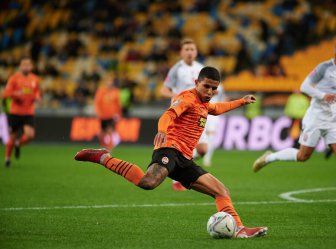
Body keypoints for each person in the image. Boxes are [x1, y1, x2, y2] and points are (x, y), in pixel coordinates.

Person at [75, 66, 268, 238]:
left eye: (214, 88)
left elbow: (216, 108)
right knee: (148, 182)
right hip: (170, 149)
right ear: (196, 83)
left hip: (185, 159)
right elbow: (168, 114)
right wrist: (162, 130)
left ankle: (239, 228)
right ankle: (103, 157)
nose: (210, 92)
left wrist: (241, 101)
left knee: (221, 191)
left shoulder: (204, 103)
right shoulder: (187, 98)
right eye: (206, 86)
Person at [252, 39, 336, 202]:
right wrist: (323, 95)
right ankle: (269, 157)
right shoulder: (324, 68)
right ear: (335, 51)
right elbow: (304, 86)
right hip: (315, 118)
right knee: (303, 156)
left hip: (333, 120)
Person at [160, 38, 224, 190]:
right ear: (182, 52)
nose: (189, 52)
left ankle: (176, 168)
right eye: (186, 49)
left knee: (202, 150)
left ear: (196, 52)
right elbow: (163, 90)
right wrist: (176, 95)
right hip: (182, 115)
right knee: (181, 147)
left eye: (192, 49)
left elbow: (212, 88)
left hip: (198, 113)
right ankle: (176, 174)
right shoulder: (176, 69)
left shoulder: (201, 68)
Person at [3, 57, 41, 167]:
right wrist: (16, 94)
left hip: (28, 112)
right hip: (15, 112)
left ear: (31, 66)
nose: (26, 66)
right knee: (12, 136)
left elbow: (37, 91)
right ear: (20, 66)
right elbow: (6, 93)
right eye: (24, 64)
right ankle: (7, 159)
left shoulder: (35, 79)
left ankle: (18, 144)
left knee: (30, 135)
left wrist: (38, 96)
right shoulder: (14, 78)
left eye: (28, 64)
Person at [94, 75, 121, 151]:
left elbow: (118, 103)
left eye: (111, 81)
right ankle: (104, 145)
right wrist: (98, 112)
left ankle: (110, 147)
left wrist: (118, 113)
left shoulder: (116, 91)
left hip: (111, 115)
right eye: (108, 81)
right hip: (102, 115)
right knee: (102, 132)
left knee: (110, 130)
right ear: (106, 82)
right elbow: (97, 103)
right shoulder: (101, 91)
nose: (110, 83)